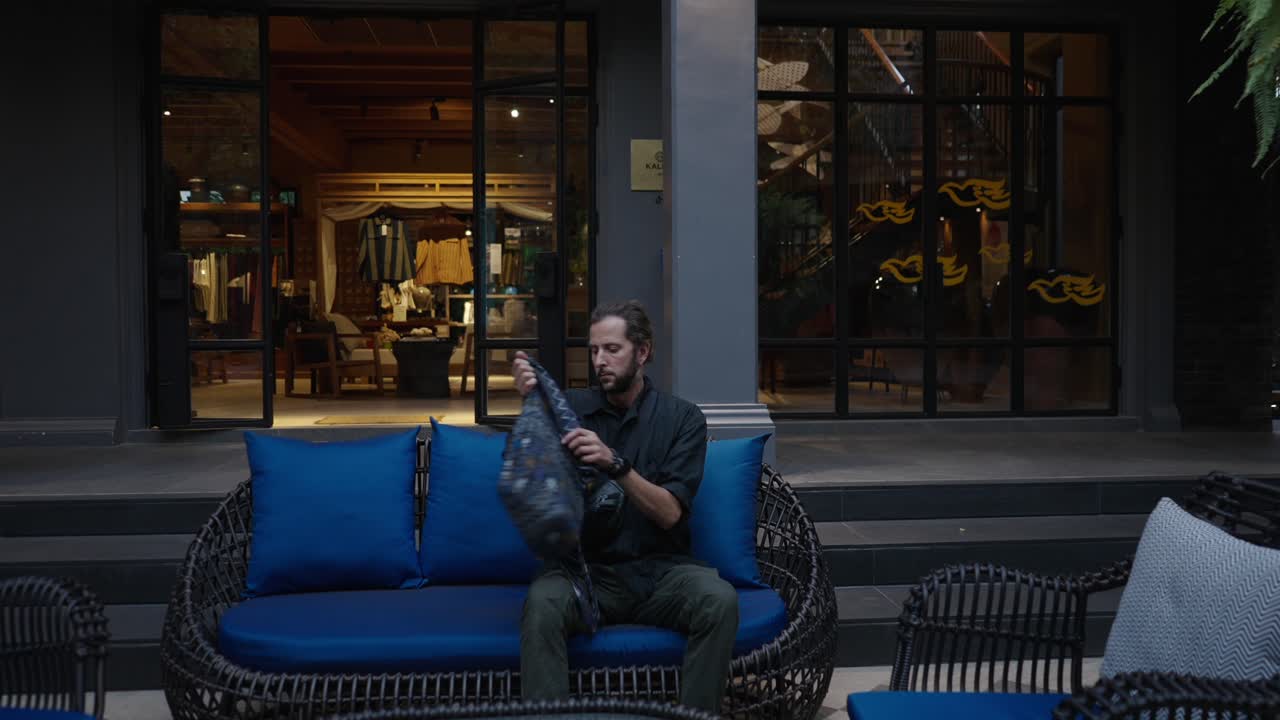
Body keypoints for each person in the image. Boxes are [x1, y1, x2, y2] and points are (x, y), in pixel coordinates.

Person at [513, 300, 739, 713]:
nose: (600, 361)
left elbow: (671, 512)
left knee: (718, 599)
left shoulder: (682, 419)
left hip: (659, 573)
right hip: (586, 576)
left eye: (612, 350)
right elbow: (532, 486)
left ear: (643, 352)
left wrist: (615, 465)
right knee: (542, 604)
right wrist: (530, 405)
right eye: (595, 350)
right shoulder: (570, 410)